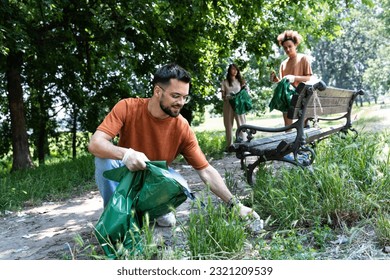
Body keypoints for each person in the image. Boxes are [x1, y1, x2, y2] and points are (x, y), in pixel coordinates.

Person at [88, 63, 262, 229]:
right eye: (175, 96)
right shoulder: (127, 107)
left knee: (180, 183)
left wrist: (235, 205)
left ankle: (155, 211)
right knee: (103, 159)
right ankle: (115, 217)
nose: (181, 102)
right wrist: (126, 154)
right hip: (126, 173)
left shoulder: (182, 126)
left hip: (155, 181)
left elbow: (205, 170)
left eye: (185, 97)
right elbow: (96, 143)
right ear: (158, 91)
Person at [271, 30, 313, 127]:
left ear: (295, 45)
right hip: (287, 101)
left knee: (302, 128)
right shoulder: (283, 64)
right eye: (285, 48)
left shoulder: (303, 58)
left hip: (301, 98)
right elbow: (283, 84)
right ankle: (289, 140)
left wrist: (294, 78)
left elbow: (308, 78)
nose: (288, 49)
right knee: (287, 127)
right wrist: (276, 80)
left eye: (290, 46)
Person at [220, 64, 248, 151]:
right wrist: (228, 97)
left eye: (236, 69)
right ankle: (230, 145)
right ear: (229, 71)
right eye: (233, 69)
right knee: (228, 124)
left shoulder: (240, 81)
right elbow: (223, 96)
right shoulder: (224, 82)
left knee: (241, 123)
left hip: (239, 104)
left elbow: (245, 92)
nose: (235, 71)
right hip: (228, 104)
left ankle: (243, 142)